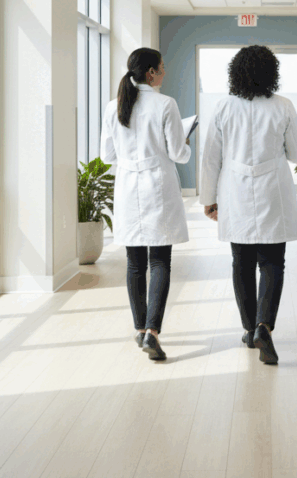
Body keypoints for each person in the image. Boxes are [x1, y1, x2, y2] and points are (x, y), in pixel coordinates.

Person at [200, 45, 297, 364]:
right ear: (271, 72)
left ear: (235, 72)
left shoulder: (223, 107)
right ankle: (264, 326)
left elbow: (210, 158)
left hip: (235, 191)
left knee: (241, 262)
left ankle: (249, 329)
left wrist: (208, 199)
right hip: (273, 190)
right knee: (273, 262)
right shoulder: (283, 106)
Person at [101, 48, 191, 361]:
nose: (164, 72)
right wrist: (186, 144)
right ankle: (153, 331)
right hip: (158, 186)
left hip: (128, 187)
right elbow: (178, 154)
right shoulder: (166, 104)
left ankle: (140, 329)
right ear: (151, 72)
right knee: (160, 260)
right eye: (162, 67)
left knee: (135, 263)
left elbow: (106, 156)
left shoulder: (113, 106)